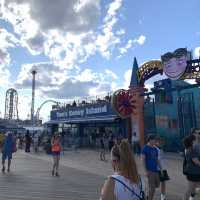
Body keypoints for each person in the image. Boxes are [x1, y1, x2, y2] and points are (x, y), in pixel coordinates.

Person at [141, 134, 160, 200]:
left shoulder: (155, 149)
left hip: (156, 170)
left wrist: (161, 168)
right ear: (150, 140)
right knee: (152, 189)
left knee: (157, 185)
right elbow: (143, 160)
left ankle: (146, 194)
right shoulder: (145, 148)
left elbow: (157, 159)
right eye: (154, 139)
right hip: (150, 170)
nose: (155, 141)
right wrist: (146, 171)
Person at [183, 135, 200, 200]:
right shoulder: (191, 150)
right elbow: (196, 162)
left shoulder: (189, 149)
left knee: (193, 188)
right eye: (195, 140)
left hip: (194, 172)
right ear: (192, 142)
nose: (196, 141)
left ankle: (192, 198)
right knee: (190, 189)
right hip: (193, 173)